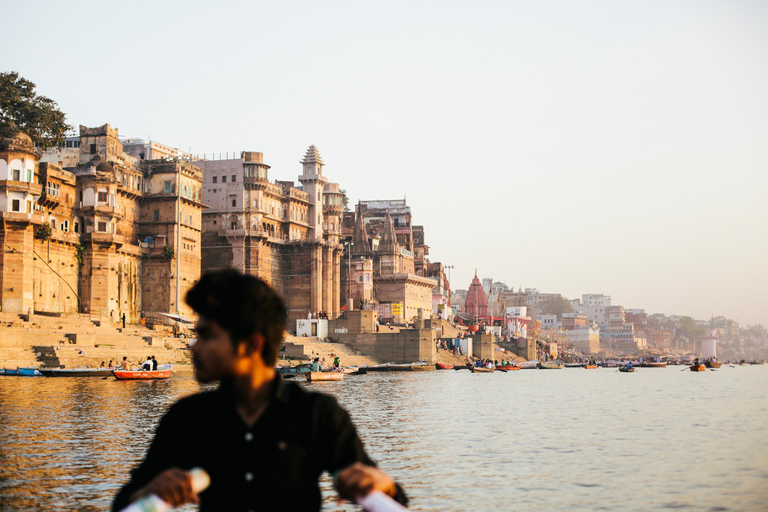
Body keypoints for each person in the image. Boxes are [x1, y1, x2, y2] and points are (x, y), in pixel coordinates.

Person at [112, 269, 406, 511]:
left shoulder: (319, 415)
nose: (194, 346)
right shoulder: (188, 418)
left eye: (206, 335)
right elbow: (124, 502)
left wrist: (384, 485)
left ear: (251, 345)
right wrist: (149, 492)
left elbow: (392, 497)